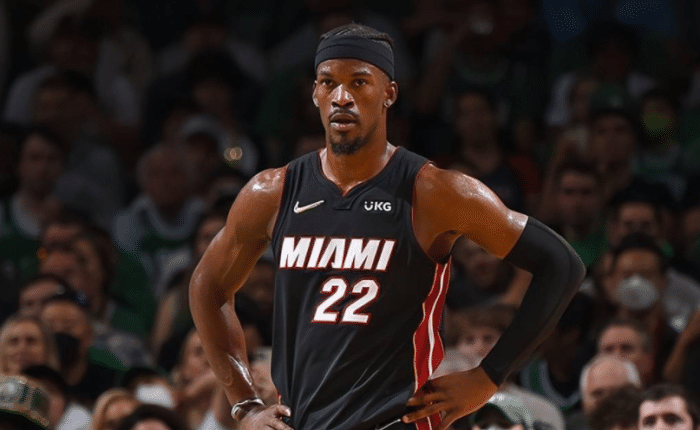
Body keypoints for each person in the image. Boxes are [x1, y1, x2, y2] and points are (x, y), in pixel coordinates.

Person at [189, 23, 585, 430]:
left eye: (359, 82)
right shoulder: (273, 191)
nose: (342, 97)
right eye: (329, 82)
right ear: (315, 93)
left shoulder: (434, 192)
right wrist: (245, 404)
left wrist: (489, 375)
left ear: (389, 93)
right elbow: (207, 286)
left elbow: (561, 264)